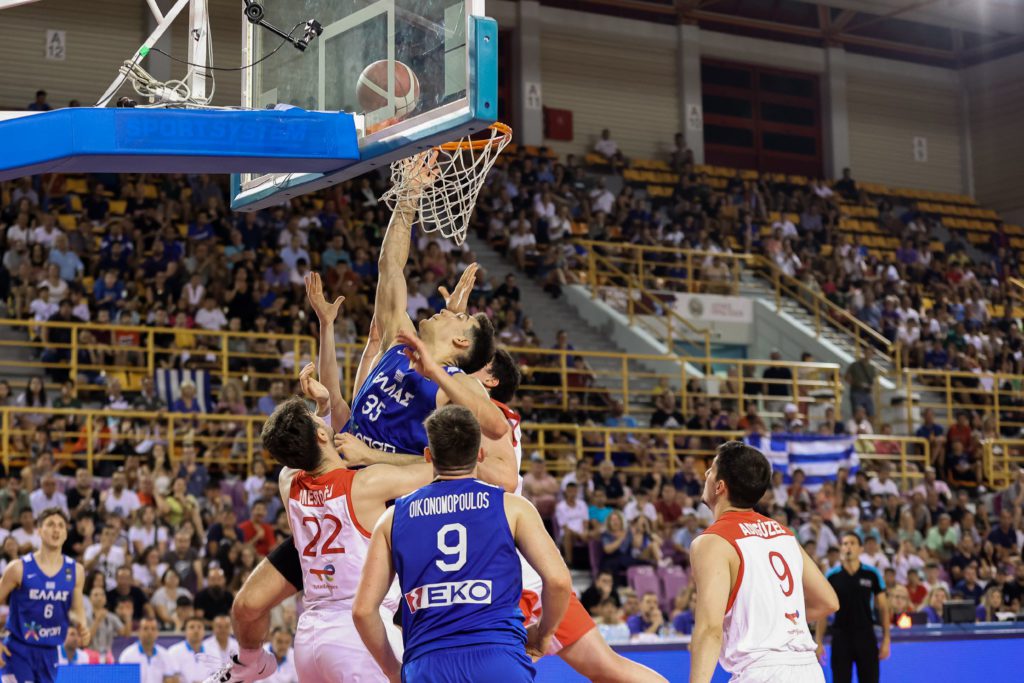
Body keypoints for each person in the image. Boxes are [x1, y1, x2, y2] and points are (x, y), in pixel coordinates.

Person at [209, 395, 434, 683]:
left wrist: (322, 413)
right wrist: (371, 455)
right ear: (320, 434)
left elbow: (302, 453)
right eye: (316, 420)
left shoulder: (288, 483)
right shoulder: (367, 484)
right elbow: (439, 468)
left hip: (310, 638)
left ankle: (248, 662)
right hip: (360, 634)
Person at [352, 405, 572, 682]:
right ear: (480, 454)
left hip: (428, 663)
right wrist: (543, 635)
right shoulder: (512, 507)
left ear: (428, 456)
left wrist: (393, 671)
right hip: (500, 660)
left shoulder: (393, 517)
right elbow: (559, 581)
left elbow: (362, 611)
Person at [689, 442, 838, 683]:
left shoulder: (712, 541)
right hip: (809, 670)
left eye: (712, 469)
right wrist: (773, 624)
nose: (706, 473)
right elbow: (828, 602)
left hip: (762, 672)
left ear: (720, 486)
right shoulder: (784, 534)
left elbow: (709, 630)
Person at [0, 508, 90, 683]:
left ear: (65, 534)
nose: (56, 530)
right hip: (18, 649)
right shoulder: (18, 568)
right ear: (39, 531)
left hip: (50, 651)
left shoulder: (76, 571)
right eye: (50, 525)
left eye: (61, 526)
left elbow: (77, 609)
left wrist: (83, 625)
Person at [816, 532, 891, 683]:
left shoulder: (872, 574)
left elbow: (883, 608)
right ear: (841, 549)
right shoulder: (832, 576)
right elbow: (823, 611)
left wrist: (886, 640)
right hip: (841, 636)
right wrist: (818, 641)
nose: (848, 546)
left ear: (860, 549)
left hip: (866, 635)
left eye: (852, 543)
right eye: (845, 544)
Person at [118, 616, 176, 683]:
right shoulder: (127, 655)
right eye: (145, 629)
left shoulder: (165, 655)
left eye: (153, 629)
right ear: (139, 632)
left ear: (157, 632)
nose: (149, 632)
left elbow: (169, 680)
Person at [167, 616, 216, 683]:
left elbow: (218, 678)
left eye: (199, 627)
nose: (196, 630)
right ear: (185, 631)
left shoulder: (213, 652)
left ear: (204, 631)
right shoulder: (174, 651)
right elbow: (171, 679)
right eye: (192, 627)